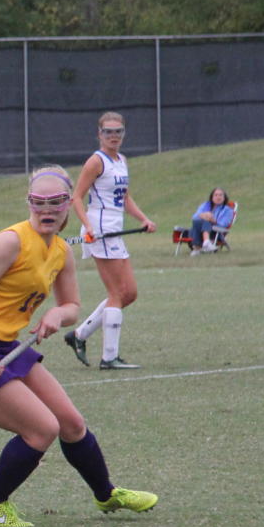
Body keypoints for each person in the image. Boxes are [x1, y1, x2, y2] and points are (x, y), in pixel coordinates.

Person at [0, 165, 157, 527]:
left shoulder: (61, 251)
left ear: (69, 203)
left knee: (71, 423)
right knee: (42, 430)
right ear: (29, 203)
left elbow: (72, 306)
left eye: (55, 202)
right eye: (38, 202)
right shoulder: (10, 242)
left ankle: (106, 494)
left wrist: (57, 315)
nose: (46, 210)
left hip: (10, 348)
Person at [62, 111, 156, 370]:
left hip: (115, 229)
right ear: (99, 134)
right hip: (100, 230)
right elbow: (77, 198)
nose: (113, 136)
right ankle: (109, 357)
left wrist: (143, 219)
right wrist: (88, 226)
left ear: (124, 133)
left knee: (130, 293)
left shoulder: (122, 160)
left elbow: (124, 198)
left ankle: (79, 336)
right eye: (108, 132)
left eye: (118, 131)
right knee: (117, 293)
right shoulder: (96, 161)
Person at [188, 187, 233, 255]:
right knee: (197, 221)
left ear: (224, 198)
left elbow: (224, 224)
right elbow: (194, 217)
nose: (218, 197)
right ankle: (205, 243)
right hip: (199, 229)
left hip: (215, 232)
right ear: (212, 197)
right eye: (216, 195)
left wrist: (213, 221)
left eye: (221, 195)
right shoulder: (205, 205)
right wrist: (202, 215)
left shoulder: (227, 210)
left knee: (206, 221)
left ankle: (198, 247)